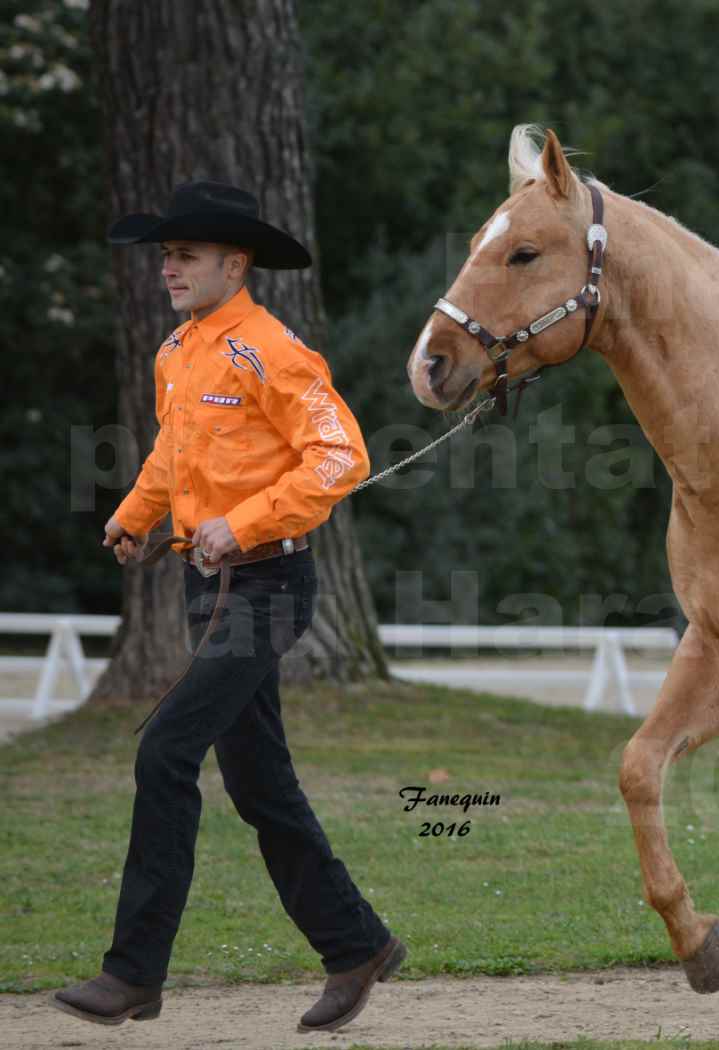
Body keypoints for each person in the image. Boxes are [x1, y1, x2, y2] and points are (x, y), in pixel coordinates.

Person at [51, 180, 404, 1034]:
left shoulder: (272, 352)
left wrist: (240, 524)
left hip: (267, 587)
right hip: (205, 588)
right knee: (258, 784)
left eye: (185, 255)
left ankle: (132, 974)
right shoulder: (177, 350)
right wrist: (137, 517)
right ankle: (356, 944)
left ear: (233, 263)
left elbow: (340, 456)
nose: (168, 268)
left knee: (165, 753)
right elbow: (176, 451)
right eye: (165, 255)